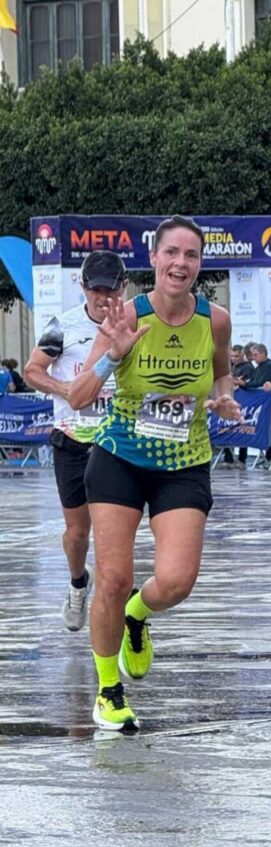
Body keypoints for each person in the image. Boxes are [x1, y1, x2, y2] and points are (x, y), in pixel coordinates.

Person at [68, 215, 242, 732]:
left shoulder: (215, 320)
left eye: (191, 255)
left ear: (200, 264)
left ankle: (137, 615)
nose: (180, 264)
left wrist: (225, 397)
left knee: (177, 581)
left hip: (184, 462)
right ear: (154, 258)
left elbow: (222, 370)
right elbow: (77, 397)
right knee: (113, 577)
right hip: (120, 458)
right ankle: (108, 692)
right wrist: (111, 356)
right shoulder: (125, 316)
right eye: (172, 253)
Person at [23, 250, 127, 631]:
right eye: (95, 290)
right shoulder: (63, 326)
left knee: (115, 531)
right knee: (79, 533)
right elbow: (33, 370)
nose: (103, 298)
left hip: (117, 442)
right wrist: (67, 389)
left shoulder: (136, 324)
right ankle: (78, 583)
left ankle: (114, 603)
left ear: (123, 287)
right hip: (72, 440)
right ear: (82, 287)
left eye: (110, 290)